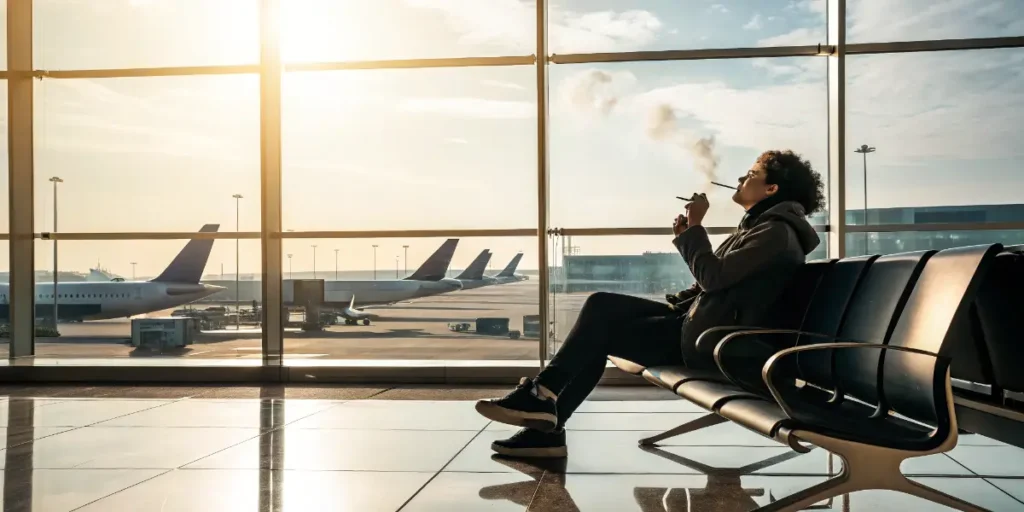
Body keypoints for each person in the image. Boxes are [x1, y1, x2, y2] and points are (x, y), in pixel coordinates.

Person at [475, 149, 825, 458]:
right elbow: (720, 285)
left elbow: (714, 279)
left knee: (601, 329)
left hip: (714, 345)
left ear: (771, 189)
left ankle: (544, 415)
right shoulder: (764, 228)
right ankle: (543, 407)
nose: (740, 178)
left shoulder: (774, 232)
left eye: (751, 174)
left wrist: (694, 229)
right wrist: (687, 244)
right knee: (601, 307)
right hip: (705, 328)